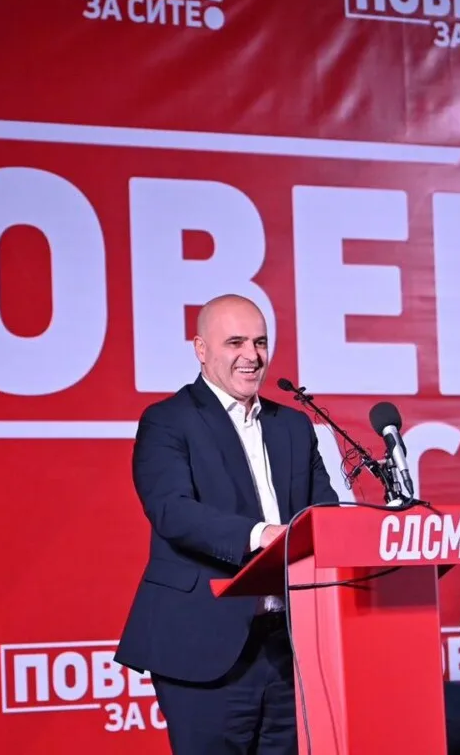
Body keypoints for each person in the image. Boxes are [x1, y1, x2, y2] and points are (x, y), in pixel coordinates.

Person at [114, 294, 340, 755]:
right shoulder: (168, 420)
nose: (251, 355)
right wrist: (261, 535)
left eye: (260, 342)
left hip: (289, 646)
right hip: (205, 644)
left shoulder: (293, 426)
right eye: (235, 342)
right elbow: (172, 510)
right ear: (201, 349)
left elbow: (325, 511)